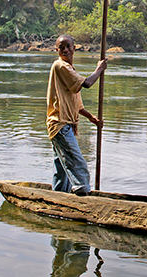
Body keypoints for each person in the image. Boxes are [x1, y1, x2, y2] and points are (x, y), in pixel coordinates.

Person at [46, 35, 107, 195]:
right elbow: (86, 84)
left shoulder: (69, 69)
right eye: (61, 47)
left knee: (62, 166)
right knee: (77, 164)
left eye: (68, 46)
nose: (65, 49)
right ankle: (83, 194)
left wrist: (91, 117)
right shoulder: (60, 66)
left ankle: (58, 195)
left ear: (74, 47)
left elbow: (75, 102)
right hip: (60, 124)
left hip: (61, 125)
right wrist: (99, 69)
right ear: (57, 50)